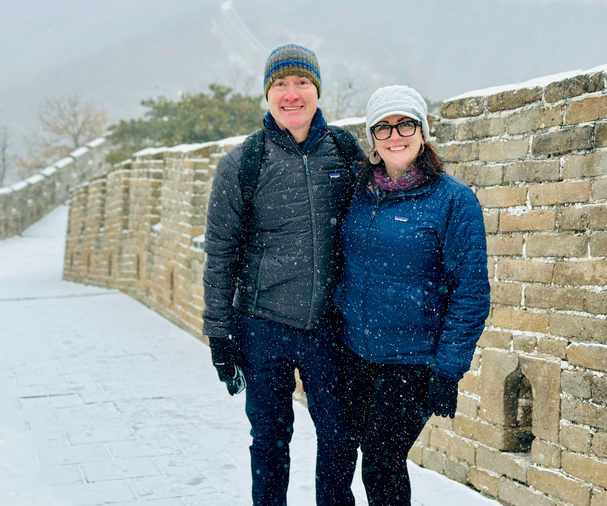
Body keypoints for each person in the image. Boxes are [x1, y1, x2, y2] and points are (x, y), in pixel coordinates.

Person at [202, 43, 364, 506]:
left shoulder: (346, 153)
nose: (291, 94)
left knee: (338, 436)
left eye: (302, 83)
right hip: (261, 325)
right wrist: (219, 334)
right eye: (280, 84)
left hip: (328, 328)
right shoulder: (242, 164)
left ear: (317, 90)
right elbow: (220, 254)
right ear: (267, 94)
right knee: (270, 442)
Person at [333, 85, 490, 506]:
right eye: (383, 128)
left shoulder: (452, 200)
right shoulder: (358, 193)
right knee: (337, 459)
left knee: (382, 464)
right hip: (352, 353)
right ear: (372, 139)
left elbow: (471, 293)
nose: (395, 135)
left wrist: (448, 370)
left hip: (412, 362)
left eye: (405, 123)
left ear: (422, 131)